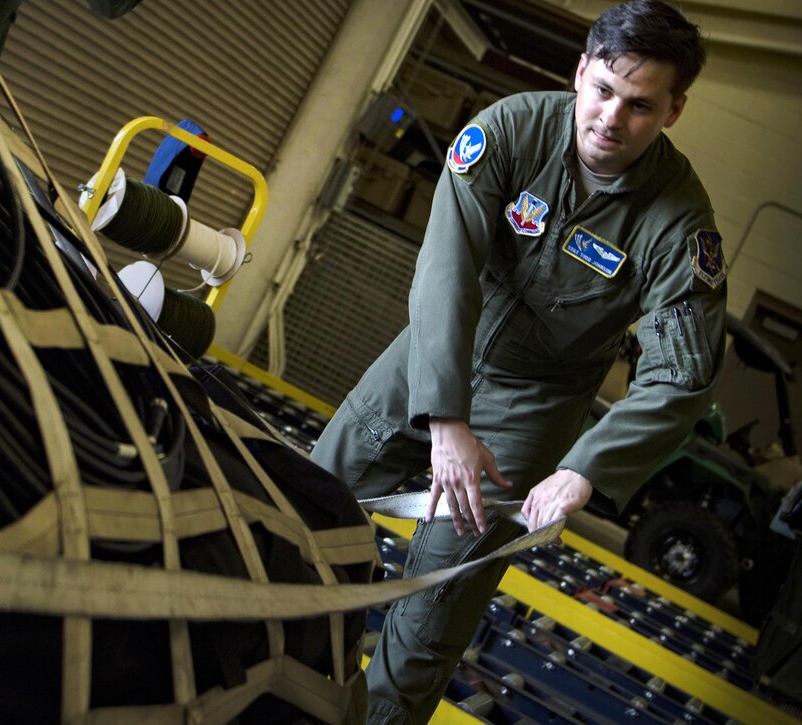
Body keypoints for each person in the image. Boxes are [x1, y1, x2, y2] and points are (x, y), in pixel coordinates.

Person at [309, 1, 727, 722]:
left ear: (674, 110)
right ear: (579, 70)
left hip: (534, 404)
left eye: (639, 105)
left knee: (432, 608)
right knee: (306, 504)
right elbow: (447, 268)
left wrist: (585, 468)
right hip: (435, 351)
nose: (609, 118)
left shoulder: (679, 222)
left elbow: (681, 375)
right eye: (601, 89)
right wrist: (445, 414)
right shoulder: (508, 130)